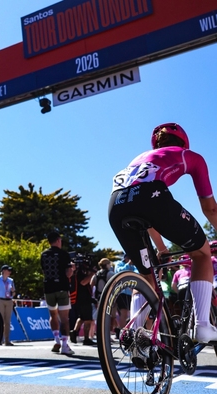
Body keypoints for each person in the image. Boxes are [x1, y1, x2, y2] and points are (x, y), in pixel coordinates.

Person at [108, 122, 217, 343]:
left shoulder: (139, 159)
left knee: (147, 274)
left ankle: (136, 336)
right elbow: (210, 209)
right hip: (150, 197)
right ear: (184, 143)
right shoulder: (189, 156)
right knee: (201, 253)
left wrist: (162, 249)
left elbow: (143, 214)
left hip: (115, 205)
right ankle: (203, 327)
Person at [40, 231, 75, 355]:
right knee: (64, 318)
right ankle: (65, 345)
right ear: (58, 240)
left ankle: (56, 340)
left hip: (48, 288)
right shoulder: (64, 254)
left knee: (53, 315)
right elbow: (68, 274)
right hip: (62, 288)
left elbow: (44, 271)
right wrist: (72, 269)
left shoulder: (43, 254)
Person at [69, 262, 95, 346]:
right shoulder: (79, 273)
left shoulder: (75, 273)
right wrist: (92, 274)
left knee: (82, 318)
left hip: (79, 299)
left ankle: (74, 332)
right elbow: (83, 282)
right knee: (88, 319)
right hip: (83, 299)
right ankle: (86, 338)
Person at [0, 265, 15, 346]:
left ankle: (7, 340)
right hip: (0, 300)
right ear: (3, 271)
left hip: (9, 301)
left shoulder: (11, 280)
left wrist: (13, 291)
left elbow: (14, 293)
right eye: (8, 270)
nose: (10, 272)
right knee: (0, 320)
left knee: (8, 321)